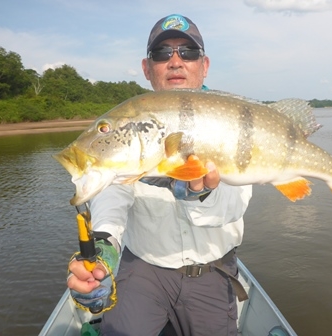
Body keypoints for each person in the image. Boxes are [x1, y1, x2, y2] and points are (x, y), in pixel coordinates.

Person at [67, 14, 253, 335]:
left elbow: (233, 205)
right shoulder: (129, 121)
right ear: (146, 67)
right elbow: (112, 188)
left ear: (204, 65)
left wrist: (200, 193)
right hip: (143, 269)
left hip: (211, 270)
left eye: (188, 52)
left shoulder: (230, 120)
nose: (176, 61)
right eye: (163, 53)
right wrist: (105, 245)